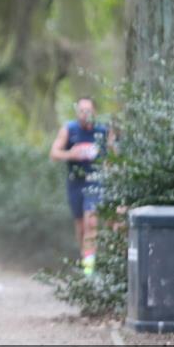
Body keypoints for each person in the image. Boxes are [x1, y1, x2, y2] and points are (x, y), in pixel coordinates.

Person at [49, 96, 110, 275]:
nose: (84, 114)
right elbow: (54, 153)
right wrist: (71, 154)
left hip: (95, 181)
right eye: (81, 111)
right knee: (81, 226)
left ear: (94, 112)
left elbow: (113, 155)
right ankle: (85, 259)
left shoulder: (103, 131)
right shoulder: (69, 129)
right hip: (75, 182)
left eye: (88, 110)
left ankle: (89, 270)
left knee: (91, 222)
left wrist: (109, 167)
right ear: (77, 112)